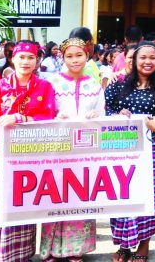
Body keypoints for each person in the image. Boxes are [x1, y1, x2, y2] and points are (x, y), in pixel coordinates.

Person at [0, 41, 56, 262]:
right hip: (4, 157)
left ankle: (17, 256)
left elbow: (50, 119)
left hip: (33, 157)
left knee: (23, 204)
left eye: (30, 57)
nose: (25, 61)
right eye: (21, 57)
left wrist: (21, 118)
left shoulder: (45, 88)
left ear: (37, 61)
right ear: (12, 59)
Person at [105, 42, 155, 262]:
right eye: (143, 57)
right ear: (134, 61)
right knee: (122, 195)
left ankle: (144, 244)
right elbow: (103, 109)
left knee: (148, 196)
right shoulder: (118, 85)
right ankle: (124, 245)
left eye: (153, 58)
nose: (148, 62)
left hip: (152, 150)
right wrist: (116, 114)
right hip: (120, 148)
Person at [40, 38, 104, 261]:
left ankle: (76, 249)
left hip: (85, 151)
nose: (75, 60)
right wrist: (55, 117)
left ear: (87, 55)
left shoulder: (94, 86)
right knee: (55, 196)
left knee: (80, 195)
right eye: (69, 56)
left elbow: (102, 116)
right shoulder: (52, 83)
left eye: (79, 55)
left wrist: (97, 117)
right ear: (62, 57)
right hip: (57, 150)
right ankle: (52, 248)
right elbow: (44, 113)